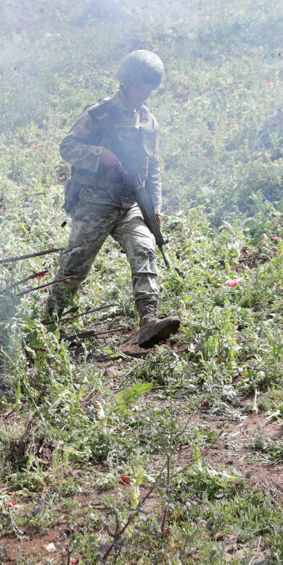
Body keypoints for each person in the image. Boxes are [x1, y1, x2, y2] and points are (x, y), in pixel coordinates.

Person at [45, 49, 180, 348]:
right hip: (95, 201)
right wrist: (99, 154)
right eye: (139, 86)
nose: (144, 93)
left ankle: (148, 320)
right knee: (75, 265)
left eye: (149, 88)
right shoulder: (99, 114)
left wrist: (155, 206)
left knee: (145, 249)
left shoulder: (148, 121)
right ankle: (46, 324)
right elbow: (67, 147)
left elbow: (153, 166)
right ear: (126, 81)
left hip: (130, 204)